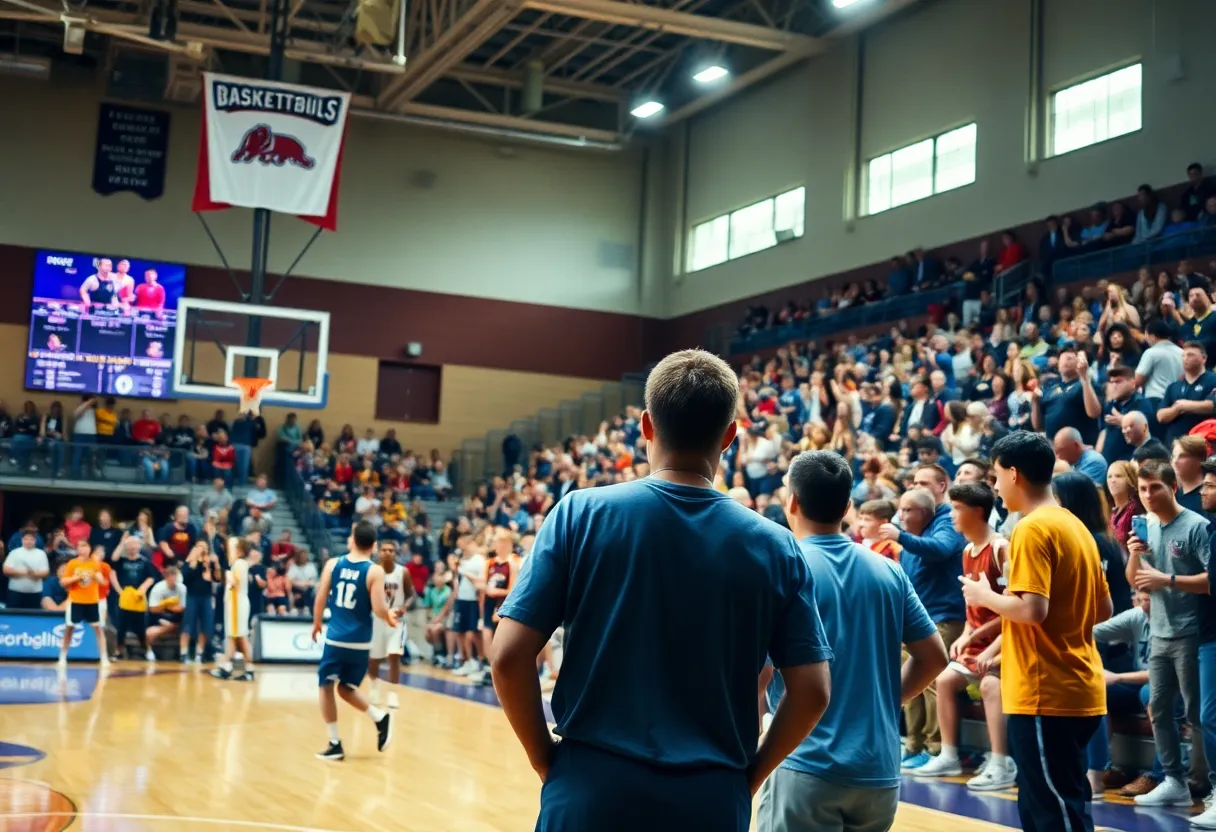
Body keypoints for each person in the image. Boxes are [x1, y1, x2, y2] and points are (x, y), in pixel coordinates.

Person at [492, 349, 833, 832]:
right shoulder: (776, 545)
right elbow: (813, 691)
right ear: (731, 436)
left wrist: (544, 758)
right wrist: (750, 774)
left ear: (647, 427)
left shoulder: (579, 514)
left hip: (589, 786)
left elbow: (507, 656)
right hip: (711, 796)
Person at [755, 451, 945, 832]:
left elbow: (760, 672)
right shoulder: (888, 570)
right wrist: (888, 699)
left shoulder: (783, 567)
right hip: (878, 772)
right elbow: (934, 657)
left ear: (791, 501)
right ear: (846, 506)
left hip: (805, 765)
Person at [960, 431, 1111, 832]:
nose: (994, 486)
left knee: (1053, 814)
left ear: (1014, 473)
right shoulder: (1075, 525)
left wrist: (983, 594)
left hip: (1047, 693)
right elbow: (1103, 608)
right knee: (1053, 804)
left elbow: (1032, 611)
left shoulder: (1031, 529)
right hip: (1080, 683)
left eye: (995, 476)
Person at [913, 482, 1016, 790]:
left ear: (978, 511)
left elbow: (1014, 612)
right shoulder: (968, 550)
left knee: (989, 684)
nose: (952, 515)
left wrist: (986, 649)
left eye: (958, 509)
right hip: (981, 644)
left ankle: (1001, 761)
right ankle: (949, 754)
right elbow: (975, 612)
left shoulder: (1001, 548)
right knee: (943, 679)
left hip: (1009, 643)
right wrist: (967, 636)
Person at [1125, 458, 1210, 806]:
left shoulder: (1196, 526)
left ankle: (1201, 781)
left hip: (1192, 632)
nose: (1147, 494)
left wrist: (1167, 580)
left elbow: (1212, 580)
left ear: (1173, 487)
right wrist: (1133, 555)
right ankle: (1173, 779)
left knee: (1196, 713)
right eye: (1142, 489)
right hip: (1159, 631)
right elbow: (1136, 580)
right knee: (1158, 707)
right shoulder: (1148, 527)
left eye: (1155, 487)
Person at [311, 521, 396, 761]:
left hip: (337, 639)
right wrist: (389, 616)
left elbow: (321, 596)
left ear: (352, 539)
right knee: (346, 688)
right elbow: (379, 609)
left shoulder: (333, 564)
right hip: (360, 641)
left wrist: (316, 622)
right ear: (375, 545)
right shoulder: (375, 571)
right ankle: (380, 717)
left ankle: (334, 742)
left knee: (326, 686)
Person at [368, 540, 411, 711]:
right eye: (384, 550)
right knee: (375, 658)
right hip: (377, 619)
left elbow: (411, 595)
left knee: (394, 655)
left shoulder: (403, 572)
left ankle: (393, 693)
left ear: (396, 553)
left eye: (391, 550)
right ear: (378, 552)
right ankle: (373, 689)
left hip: (396, 620)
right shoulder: (372, 571)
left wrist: (404, 607)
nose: (387, 553)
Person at [56, 539, 110, 668]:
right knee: (69, 628)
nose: (84, 549)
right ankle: (62, 657)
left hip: (92, 601)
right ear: (77, 550)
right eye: (81, 547)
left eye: (86, 547)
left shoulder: (95, 564)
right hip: (76, 600)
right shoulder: (72, 564)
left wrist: (96, 576)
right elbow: (64, 582)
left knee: (98, 628)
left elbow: (103, 582)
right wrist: (78, 577)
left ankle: (104, 657)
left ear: (90, 549)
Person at [211, 537, 255, 681]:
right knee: (232, 636)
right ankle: (227, 668)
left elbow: (234, 583)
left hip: (237, 604)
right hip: (234, 603)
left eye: (232, 546)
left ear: (239, 549)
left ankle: (249, 669)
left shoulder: (239, 564)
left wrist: (227, 575)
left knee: (241, 637)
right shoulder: (237, 564)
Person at [145, 566, 185, 662]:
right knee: (149, 633)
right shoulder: (158, 588)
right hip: (160, 617)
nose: (174, 579)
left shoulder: (182, 588)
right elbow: (152, 608)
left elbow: (182, 608)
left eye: (175, 576)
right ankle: (149, 651)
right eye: (171, 576)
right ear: (166, 577)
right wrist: (166, 605)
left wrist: (169, 606)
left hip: (177, 618)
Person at [3, 530, 49, 609]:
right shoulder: (14, 553)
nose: (28, 541)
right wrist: (25, 573)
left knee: (33, 617)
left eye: (31, 539)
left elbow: (45, 573)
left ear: (35, 541)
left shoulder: (41, 553)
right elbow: (6, 570)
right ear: (22, 540)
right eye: (26, 539)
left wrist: (33, 574)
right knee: (12, 616)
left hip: (35, 593)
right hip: (15, 592)